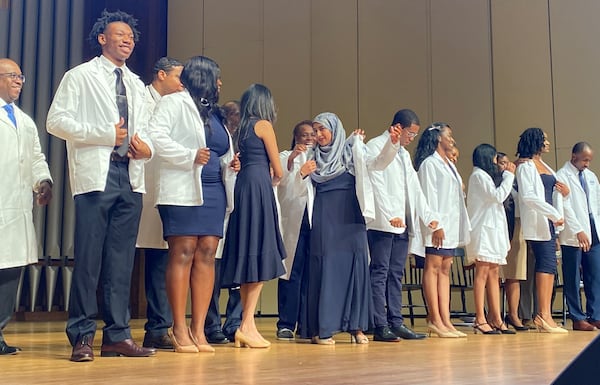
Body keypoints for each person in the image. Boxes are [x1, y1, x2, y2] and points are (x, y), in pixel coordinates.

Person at [47, 10, 156, 361]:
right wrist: (104, 135)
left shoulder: (137, 84)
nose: (127, 40)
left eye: (131, 36)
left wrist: (147, 146)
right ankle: (81, 335)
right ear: (102, 39)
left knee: (121, 261)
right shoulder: (80, 76)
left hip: (131, 174)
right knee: (90, 259)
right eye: (120, 34)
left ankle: (117, 336)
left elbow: (151, 128)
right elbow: (55, 121)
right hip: (97, 174)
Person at [147, 55, 238, 353]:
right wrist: (188, 155)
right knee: (183, 251)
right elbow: (155, 137)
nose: (221, 83)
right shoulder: (174, 102)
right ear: (203, 78)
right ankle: (178, 328)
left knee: (208, 253)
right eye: (217, 77)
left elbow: (220, 149)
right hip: (182, 188)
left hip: (214, 190)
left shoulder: (216, 114)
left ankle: (199, 330)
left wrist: (230, 162)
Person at [306, 112, 402, 345]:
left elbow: (378, 163)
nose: (319, 135)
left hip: (351, 216)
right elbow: (297, 186)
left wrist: (392, 143)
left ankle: (356, 327)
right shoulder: (311, 156)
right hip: (325, 216)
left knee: (356, 266)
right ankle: (324, 327)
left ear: (335, 129)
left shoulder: (352, 150)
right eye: (316, 130)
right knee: (327, 266)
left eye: (323, 130)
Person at [221, 83, 286, 348]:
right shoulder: (264, 126)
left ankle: (246, 325)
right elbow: (279, 170)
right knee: (259, 253)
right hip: (259, 187)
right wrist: (274, 179)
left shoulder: (242, 128)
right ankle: (247, 324)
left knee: (248, 252)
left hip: (242, 187)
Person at [366, 109, 438, 342]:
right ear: (398, 127)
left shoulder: (404, 155)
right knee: (380, 272)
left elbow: (414, 188)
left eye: (415, 135)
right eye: (410, 133)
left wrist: (428, 217)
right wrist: (388, 215)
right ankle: (379, 324)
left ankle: (396, 321)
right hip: (382, 223)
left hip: (402, 223)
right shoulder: (376, 145)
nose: (411, 138)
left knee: (396, 273)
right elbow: (376, 183)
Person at [0, 58, 53, 355]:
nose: (19, 81)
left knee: (10, 273)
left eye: (21, 76)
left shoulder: (24, 120)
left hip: (16, 208)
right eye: (12, 76)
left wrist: (43, 181)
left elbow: (36, 157)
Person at [135, 57, 184, 350]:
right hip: (137, 183)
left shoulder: (177, 104)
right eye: (178, 77)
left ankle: (158, 327)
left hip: (161, 189)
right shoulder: (141, 98)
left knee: (159, 258)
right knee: (121, 257)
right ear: (161, 74)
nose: (182, 84)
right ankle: (113, 328)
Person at [414, 122, 470, 338]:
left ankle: (446, 320)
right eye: (449, 135)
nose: (452, 139)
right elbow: (427, 197)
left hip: (451, 226)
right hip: (437, 226)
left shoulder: (449, 164)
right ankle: (435, 319)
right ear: (438, 138)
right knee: (434, 266)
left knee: (445, 269)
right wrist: (435, 224)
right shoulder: (429, 164)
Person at [515, 127, 568, 333]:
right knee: (545, 265)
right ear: (535, 141)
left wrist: (565, 193)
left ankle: (544, 314)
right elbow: (529, 196)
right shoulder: (525, 167)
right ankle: (543, 315)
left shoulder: (544, 165)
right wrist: (553, 214)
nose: (547, 142)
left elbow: (552, 192)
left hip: (550, 223)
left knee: (550, 267)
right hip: (539, 222)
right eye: (544, 139)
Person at [466, 144, 516, 335]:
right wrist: (509, 176)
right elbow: (497, 196)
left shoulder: (485, 176)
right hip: (483, 231)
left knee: (494, 274)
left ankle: (496, 317)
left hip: (493, 231)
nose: (497, 163)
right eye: (495, 159)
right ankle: (480, 317)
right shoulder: (478, 175)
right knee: (482, 273)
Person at [205, 99, 243, 344]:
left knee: (238, 274)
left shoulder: (246, 139)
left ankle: (235, 323)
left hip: (242, 208)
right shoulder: (215, 136)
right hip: (221, 207)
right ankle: (212, 325)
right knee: (213, 272)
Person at [276, 120, 317, 340]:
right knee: (291, 273)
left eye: (312, 135)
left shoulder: (321, 158)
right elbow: (281, 183)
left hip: (315, 222)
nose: (309, 138)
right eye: (304, 135)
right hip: (294, 222)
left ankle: (306, 323)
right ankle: (286, 323)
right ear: (296, 137)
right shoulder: (284, 156)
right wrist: (296, 166)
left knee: (311, 276)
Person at [557, 142, 600, 331]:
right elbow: (565, 206)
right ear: (574, 156)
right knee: (573, 276)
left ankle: (596, 315)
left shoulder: (591, 177)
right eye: (584, 160)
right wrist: (578, 230)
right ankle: (577, 317)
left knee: (595, 274)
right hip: (574, 232)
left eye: (589, 160)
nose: (587, 164)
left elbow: (596, 205)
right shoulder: (561, 175)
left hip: (593, 229)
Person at [497, 152, 530, 331]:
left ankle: (514, 314)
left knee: (515, 274)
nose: (505, 166)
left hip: (517, 227)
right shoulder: (495, 182)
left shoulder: (515, 182)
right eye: (501, 163)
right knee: (496, 275)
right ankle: (493, 314)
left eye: (506, 163)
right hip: (501, 227)